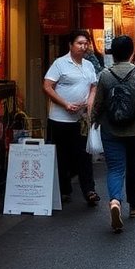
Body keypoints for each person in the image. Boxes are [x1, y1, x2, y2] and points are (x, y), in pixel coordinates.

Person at [89, 34, 135, 233]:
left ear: (113, 54)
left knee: (114, 168)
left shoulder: (105, 75)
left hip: (110, 127)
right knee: (133, 166)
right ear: (132, 53)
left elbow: (98, 102)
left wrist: (94, 120)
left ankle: (115, 201)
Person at [42, 29, 99, 206]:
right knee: (63, 156)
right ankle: (64, 189)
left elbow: (93, 87)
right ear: (70, 45)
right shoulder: (60, 64)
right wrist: (65, 104)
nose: (83, 46)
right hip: (60, 119)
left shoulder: (89, 65)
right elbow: (47, 86)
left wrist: (89, 102)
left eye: (85, 43)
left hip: (81, 119)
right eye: (79, 43)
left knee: (84, 154)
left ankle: (89, 190)